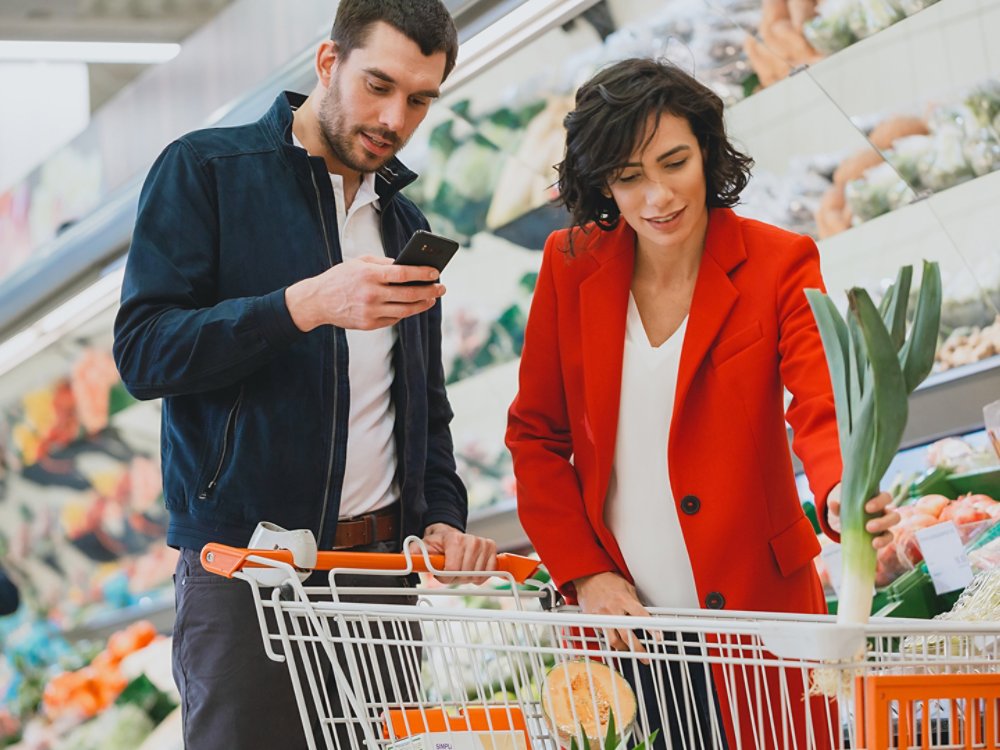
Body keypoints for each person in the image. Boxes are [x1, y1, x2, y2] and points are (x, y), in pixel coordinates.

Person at [113, 1, 498, 747]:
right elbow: (144, 351)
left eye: (419, 99)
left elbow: (423, 405)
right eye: (378, 85)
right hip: (247, 576)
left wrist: (442, 514)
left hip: (379, 581)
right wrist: (304, 304)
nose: (395, 116)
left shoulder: (401, 224)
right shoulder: (205, 171)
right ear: (329, 63)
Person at [505, 58, 898, 749]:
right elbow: (536, 436)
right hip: (634, 633)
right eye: (629, 178)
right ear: (603, 185)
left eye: (674, 162)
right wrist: (587, 574)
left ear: (708, 151)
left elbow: (821, 399)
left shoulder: (779, 261)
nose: (657, 197)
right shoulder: (569, 267)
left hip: (765, 621)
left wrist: (841, 488)